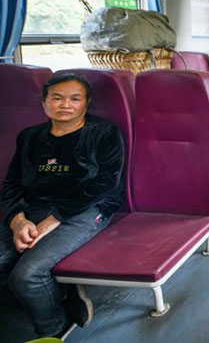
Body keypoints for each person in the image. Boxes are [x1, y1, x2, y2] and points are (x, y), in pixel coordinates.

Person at [0, 73, 124, 338]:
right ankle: (59, 295)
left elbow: (105, 185)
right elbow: (11, 183)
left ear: (86, 103)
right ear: (44, 103)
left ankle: (54, 328)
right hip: (32, 208)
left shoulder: (104, 133)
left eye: (74, 99)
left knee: (27, 276)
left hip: (86, 209)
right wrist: (17, 220)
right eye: (56, 98)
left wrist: (56, 217)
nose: (65, 104)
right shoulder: (30, 137)